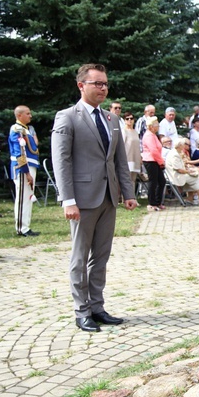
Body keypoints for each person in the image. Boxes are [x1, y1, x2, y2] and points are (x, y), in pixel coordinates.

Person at [51, 63, 137, 333]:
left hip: (109, 197)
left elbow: (119, 160)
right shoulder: (67, 117)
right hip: (82, 199)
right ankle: (82, 311)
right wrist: (68, 200)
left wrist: (128, 193)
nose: (103, 88)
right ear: (81, 86)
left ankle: (97, 306)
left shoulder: (112, 120)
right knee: (79, 258)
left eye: (105, 84)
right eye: (97, 83)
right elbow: (61, 161)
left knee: (101, 257)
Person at [9, 106, 40, 236]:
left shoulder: (25, 129)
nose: (30, 116)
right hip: (23, 168)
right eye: (27, 113)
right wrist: (26, 172)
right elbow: (19, 153)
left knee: (28, 197)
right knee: (22, 198)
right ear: (19, 115)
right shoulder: (17, 129)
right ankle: (21, 228)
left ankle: (26, 226)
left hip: (30, 165)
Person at [166, 137, 199, 206]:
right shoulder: (175, 155)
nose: (184, 146)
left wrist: (188, 170)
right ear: (180, 145)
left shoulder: (175, 152)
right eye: (183, 144)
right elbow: (178, 169)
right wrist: (188, 172)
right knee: (196, 177)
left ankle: (190, 198)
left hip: (176, 174)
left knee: (193, 175)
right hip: (176, 176)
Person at [141, 116, 165, 211]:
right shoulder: (148, 136)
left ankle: (158, 202)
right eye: (156, 125)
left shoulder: (153, 135)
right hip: (150, 161)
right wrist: (161, 162)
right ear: (151, 126)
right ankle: (152, 203)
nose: (158, 126)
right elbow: (153, 150)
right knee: (153, 181)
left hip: (155, 160)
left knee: (161, 181)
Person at [121, 111, 142, 198]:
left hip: (135, 157)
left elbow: (138, 145)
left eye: (131, 118)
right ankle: (126, 197)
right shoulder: (123, 131)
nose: (130, 120)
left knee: (133, 179)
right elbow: (121, 145)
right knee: (127, 179)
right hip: (127, 157)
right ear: (124, 120)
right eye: (127, 119)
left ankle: (132, 197)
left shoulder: (135, 132)